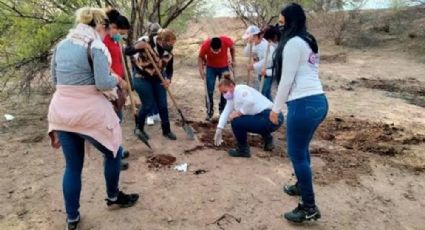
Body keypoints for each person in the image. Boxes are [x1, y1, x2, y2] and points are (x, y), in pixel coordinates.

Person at [48, 7, 139, 230]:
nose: (106, 32)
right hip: (89, 113)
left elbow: (54, 79)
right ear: (99, 25)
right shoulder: (94, 45)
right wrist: (117, 79)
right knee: (114, 152)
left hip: (61, 112)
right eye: (105, 28)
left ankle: (72, 217)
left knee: (72, 167)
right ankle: (113, 196)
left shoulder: (61, 45)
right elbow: (102, 82)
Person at [270, 3, 328, 223]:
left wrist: (275, 109)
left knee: (296, 153)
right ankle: (300, 185)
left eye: (282, 20)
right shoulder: (308, 40)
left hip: (304, 105)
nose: (279, 24)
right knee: (302, 150)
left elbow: (287, 80)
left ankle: (309, 207)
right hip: (318, 101)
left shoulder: (294, 43)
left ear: (291, 20)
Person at [213, 73, 284, 157]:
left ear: (231, 86)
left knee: (236, 122)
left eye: (225, 92)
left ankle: (243, 149)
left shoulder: (240, 90)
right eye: (222, 93)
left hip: (272, 118)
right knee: (251, 118)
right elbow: (226, 112)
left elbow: (250, 101)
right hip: (270, 117)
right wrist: (219, 128)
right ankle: (268, 141)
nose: (224, 95)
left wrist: (239, 113)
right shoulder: (232, 97)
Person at [125, 28, 177, 141]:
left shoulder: (168, 53)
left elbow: (169, 69)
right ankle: (139, 128)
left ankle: (166, 130)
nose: (171, 46)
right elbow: (127, 51)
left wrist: (168, 79)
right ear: (161, 40)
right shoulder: (146, 41)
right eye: (169, 43)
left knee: (163, 104)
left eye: (173, 44)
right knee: (148, 104)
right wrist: (138, 47)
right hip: (141, 77)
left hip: (158, 78)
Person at [103, 9, 131, 169]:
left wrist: (125, 81)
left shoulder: (116, 40)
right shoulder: (105, 40)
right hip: (111, 84)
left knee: (118, 120)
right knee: (112, 122)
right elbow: (106, 66)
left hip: (119, 84)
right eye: (121, 32)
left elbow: (120, 61)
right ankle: (113, 157)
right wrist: (120, 81)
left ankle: (118, 150)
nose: (122, 35)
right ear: (113, 27)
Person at [198, 35, 236, 121]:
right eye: (214, 50)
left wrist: (233, 59)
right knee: (209, 90)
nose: (216, 52)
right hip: (211, 68)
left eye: (217, 50)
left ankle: (223, 111)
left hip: (224, 67)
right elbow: (200, 57)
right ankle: (209, 112)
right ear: (210, 46)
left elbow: (232, 47)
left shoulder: (225, 40)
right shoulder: (205, 45)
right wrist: (201, 70)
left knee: (225, 90)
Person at [243, 25, 275, 101]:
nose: (248, 39)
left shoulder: (266, 46)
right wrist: (249, 44)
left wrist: (254, 66)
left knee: (263, 93)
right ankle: (272, 110)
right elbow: (246, 53)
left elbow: (268, 60)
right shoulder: (253, 44)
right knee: (266, 94)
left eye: (250, 37)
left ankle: (271, 111)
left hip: (268, 72)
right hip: (260, 72)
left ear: (256, 36)